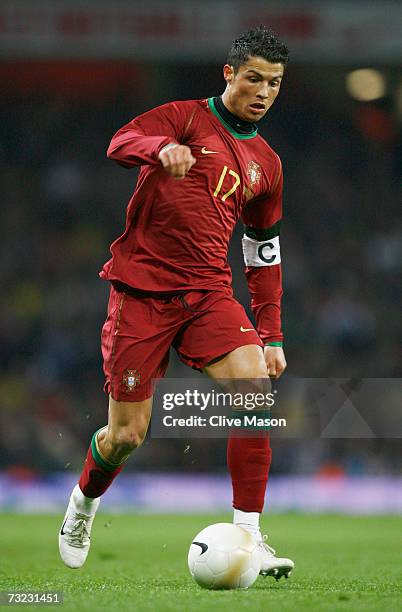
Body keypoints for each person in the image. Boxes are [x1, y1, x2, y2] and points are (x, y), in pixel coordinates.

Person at [59, 25, 294, 580]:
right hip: (141, 293)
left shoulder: (269, 165)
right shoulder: (185, 118)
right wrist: (159, 148)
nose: (263, 91)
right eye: (254, 78)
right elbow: (119, 142)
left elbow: (263, 252)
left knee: (255, 392)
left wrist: (273, 333)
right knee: (126, 436)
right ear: (229, 73)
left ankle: (251, 536)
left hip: (209, 293)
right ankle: (83, 505)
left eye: (275, 83)